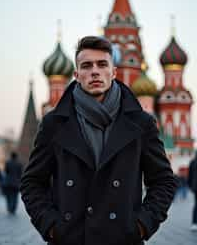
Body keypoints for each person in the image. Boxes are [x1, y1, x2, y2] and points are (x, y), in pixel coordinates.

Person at [20, 36, 178, 245]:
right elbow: (32, 182)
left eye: (102, 64)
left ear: (113, 72)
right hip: (70, 239)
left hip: (122, 239)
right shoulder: (54, 124)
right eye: (86, 66)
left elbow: (163, 181)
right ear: (76, 75)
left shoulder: (141, 123)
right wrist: (51, 226)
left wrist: (141, 225)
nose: (94, 71)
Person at [188, 151, 197, 231]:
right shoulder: (193, 162)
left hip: (195, 186)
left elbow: (189, 175)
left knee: (196, 205)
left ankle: (194, 223)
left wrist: (190, 186)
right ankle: (194, 222)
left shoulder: (193, 162)